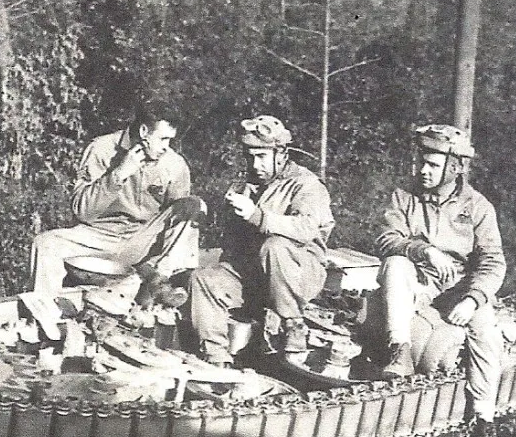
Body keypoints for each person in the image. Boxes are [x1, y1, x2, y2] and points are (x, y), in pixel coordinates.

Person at [374, 123, 510, 437]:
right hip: (419, 280)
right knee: (394, 265)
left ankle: (484, 424)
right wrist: (422, 250)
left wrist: (473, 299)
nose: (422, 169)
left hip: (459, 288)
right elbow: (387, 240)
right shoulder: (404, 197)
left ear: (455, 167)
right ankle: (399, 352)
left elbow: (493, 262)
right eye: (421, 161)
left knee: (486, 334)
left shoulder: (478, 207)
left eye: (433, 164)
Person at [188, 115, 335, 365]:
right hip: (257, 276)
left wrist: (257, 216)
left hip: (299, 276)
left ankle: (293, 325)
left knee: (275, 245)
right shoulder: (247, 186)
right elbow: (234, 245)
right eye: (249, 157)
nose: (255, 165)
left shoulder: (306, 185)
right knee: (202, 279)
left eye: (262, 157)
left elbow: (305, 228)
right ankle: (215, 357)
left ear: (281, 154)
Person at [30, 99, 205, 304]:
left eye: (170, 141)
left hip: (142, 240)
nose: (166, 147)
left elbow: (177, 222)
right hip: (99, 236)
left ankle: (159, 281)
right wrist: (118, 174)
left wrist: (161, 261)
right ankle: (46, 314)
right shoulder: (102, 149)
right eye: (163, 139)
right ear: (143, 131)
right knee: (45, 244)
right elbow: (82, 211)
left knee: (194, 205)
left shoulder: (174, 164)